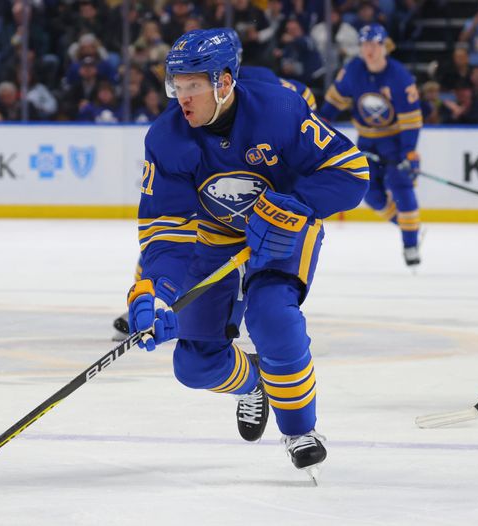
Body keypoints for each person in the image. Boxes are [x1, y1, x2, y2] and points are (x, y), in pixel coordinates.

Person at [127, 29, 368, 480]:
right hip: (216, 235)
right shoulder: (167, 139)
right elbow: (166, 229)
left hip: (283, 230)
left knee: (272, 316)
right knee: (194, 365)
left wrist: (291, 207)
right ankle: (255, 380)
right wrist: (157, 292)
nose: (183, 98)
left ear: (223, 82)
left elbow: (351, 171)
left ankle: (300, 431)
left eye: (193, 86)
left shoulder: (278, 110)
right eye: (176, 86)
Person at [321, 24, 423, 268]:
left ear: (385, 46)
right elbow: (332, 106)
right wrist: (319, 126)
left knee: (401, 186)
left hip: (395, 141)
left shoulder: (399, 76)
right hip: (366, 140)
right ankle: (406, 224)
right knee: (370, 192)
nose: (369, 49)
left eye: (375, 44)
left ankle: (410, 244)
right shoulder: (352, 71)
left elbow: (411, 121)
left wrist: (408, 151)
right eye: (365, 44)